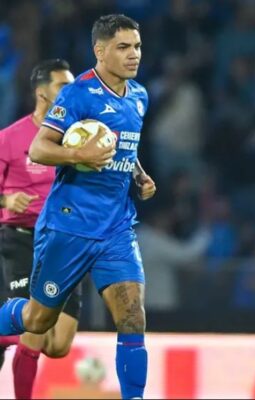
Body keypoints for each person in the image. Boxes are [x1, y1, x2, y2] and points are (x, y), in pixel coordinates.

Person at [0, 14, 156, 399]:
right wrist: (77, 154)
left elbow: (125, 146)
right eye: (123, 47)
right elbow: (40, 148)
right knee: (38, 321)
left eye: (137, 46)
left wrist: (139, 175)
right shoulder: (77, 94)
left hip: (117, 228)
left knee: (132, 315)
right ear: (100, 51)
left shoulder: (138, 96)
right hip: (69, 226)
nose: (134, 54)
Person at [0, 59, 81, 399]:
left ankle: (4, 329)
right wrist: (6, 200)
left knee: (58, 345)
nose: (71, 91)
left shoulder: (79, 136)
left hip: (65, 245)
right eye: (64, 86)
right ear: (41, 93)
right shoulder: (9, 138)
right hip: (22, 241)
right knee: (34, 327)